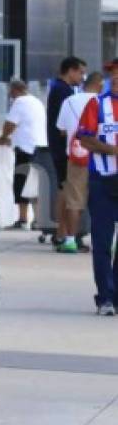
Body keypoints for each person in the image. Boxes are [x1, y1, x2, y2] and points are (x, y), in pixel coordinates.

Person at [78, 66, 118, 316]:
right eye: (113, 75)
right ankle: (105, 296)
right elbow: (84, 138)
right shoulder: (97, 104)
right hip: (103, 180)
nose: (115, 78)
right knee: (102, 242)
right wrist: (111, 150)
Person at [0, 79, 50, 230]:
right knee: (34, 184)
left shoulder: (20, 102)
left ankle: (23, 218)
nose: (10, 96)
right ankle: (38, 219)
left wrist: (3, 137)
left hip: (25, 150)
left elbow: (10, 124)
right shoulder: (36, 102)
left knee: (21, 182)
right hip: (39, 148)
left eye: (11, 93)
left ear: (15, 90)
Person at [56, 71, 100, 254]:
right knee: (105, 202)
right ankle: (108, 240)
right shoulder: (103, 101)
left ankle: (70, 240)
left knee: (74, 200)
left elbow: (62, 130)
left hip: (76, 158)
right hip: (102, 158)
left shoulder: (69, 101)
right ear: (99, 84)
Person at [46, 57, 87, 245]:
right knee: (67, 191)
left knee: (65, 189)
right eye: (80, 72)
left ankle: (61, 232)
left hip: (59, 146)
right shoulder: (63, 91)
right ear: (70, 70)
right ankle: (62, 232)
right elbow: (64, 126)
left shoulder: (60, 89)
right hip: (63, 148)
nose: (82, 77)